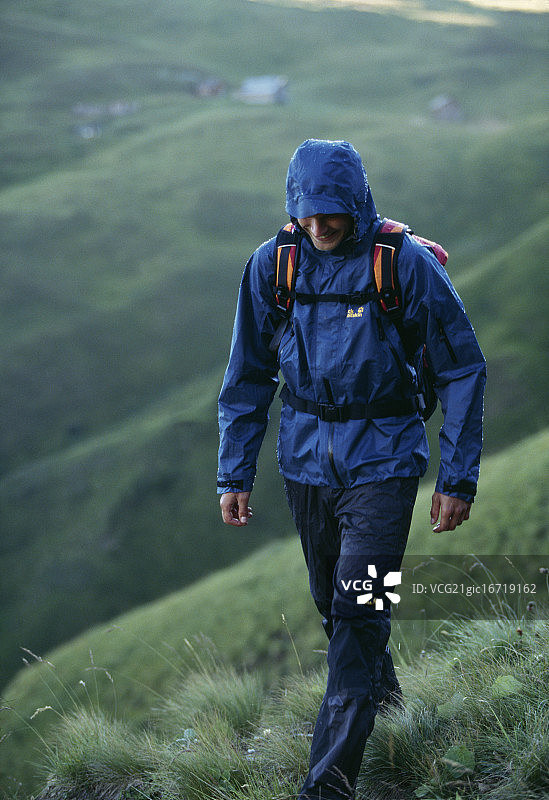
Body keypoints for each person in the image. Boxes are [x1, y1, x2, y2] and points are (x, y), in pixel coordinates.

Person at [217, 139, 486, 800]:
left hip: (385, 465)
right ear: (292, 208)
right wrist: (234, 473)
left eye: (331, 211)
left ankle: (327, 784)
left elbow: (461, 368)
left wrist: (457, 478)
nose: (319, 225)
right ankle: (392, 714)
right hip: (305, 465)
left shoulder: (404, 263)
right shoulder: (270, 265)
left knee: (358, 612)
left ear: (356, 200)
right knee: (335, 613)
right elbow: (248, 376)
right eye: (307, 213)